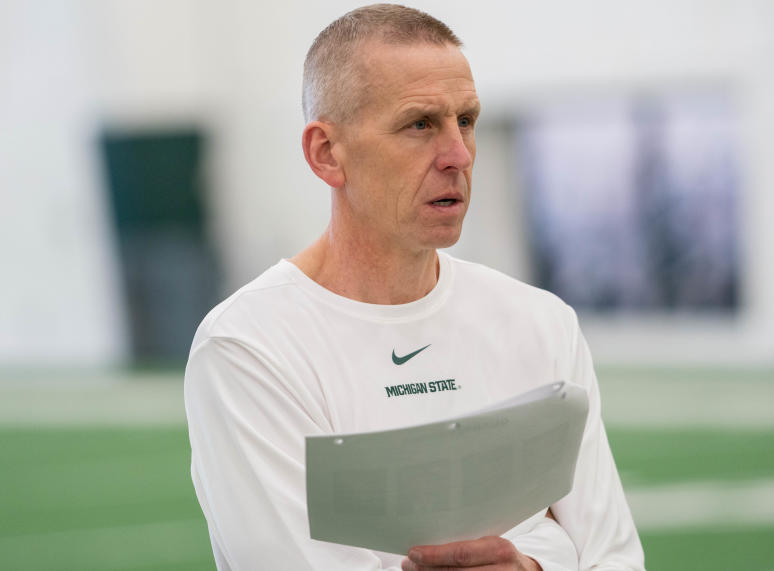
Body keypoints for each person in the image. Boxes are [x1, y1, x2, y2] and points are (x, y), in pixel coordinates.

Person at [184, 4, 645, 570]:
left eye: (467, 121)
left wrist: (530, 566)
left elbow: (615, 558)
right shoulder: (249, 346)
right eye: (420, 125)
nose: (457, 156)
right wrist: (549, 542)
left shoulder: (541, 322)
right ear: (326, 154)